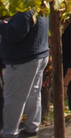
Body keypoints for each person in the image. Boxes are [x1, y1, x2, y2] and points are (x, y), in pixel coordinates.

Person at [0, 10, 49, 138]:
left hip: (23, 59)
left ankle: (9, 133)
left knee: (14, 98)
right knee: (34, 93)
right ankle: (32, 127)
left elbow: (15, 33)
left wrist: (1, 25)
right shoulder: (38, 3)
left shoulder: (23, 8)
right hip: (39, 53)